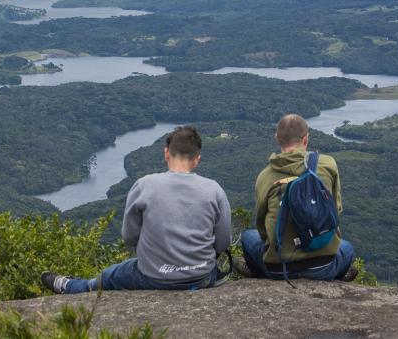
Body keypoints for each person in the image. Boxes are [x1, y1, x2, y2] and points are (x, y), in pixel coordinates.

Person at [41, 125, 232, 294]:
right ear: (197, 159)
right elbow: (223, 242)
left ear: (166, 153)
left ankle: (71, 286)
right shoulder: (214, 189)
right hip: (202, 277)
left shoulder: (145, 185)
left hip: (153, 276)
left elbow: (129, 237)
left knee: (110, 275)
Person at [234, 114, 358, 281]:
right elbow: (336, 209)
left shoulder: (265, 176)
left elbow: (262, 225)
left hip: (279, 269)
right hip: (323, 266)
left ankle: (259, 275)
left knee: (248, 237)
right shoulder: (328, 165)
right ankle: (336, 277)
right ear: (306, 139)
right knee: (346, 248)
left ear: (277, 139)